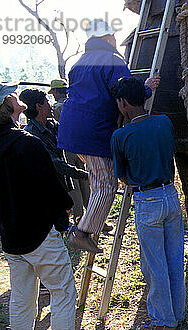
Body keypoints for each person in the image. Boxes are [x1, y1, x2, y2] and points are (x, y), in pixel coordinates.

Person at [0, 76, 100, 330]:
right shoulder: (26, 144)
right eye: (10, 95)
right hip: (40, 235)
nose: (14, 96)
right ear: (6, 106)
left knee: (21, 301)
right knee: (62, 294)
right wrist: (63, 215)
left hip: (12, 238)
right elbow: (52, 189)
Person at [58, 19, 160, 253]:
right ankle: (82, 232)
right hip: (92, 132)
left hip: (73, 131)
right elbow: (124, 92)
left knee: (97, 178)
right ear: (107, 38)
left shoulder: (78, 62)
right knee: (106, 185)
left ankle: (96, 218)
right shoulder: (113, 60)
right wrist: (147, 88)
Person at [110, 77, 185, 330]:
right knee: (174, 258)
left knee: (154, 264)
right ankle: (177, 312)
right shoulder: (164, 122)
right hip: (171, 196)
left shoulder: (120, 136)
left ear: (122, 103)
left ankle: (163, 320)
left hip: (147, 200)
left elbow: (122, 176)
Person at [20, 89, 89, 194]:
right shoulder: (32, 134)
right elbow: (55, 163)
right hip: (47, 189)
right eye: (47, 102)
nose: (50, 105)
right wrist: (84, 175)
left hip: (60, 185)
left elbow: (70, 136)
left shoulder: (52, 126)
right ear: (39, 106)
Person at [48, 80, 93, 226]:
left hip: (67, 148)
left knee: (73, 183)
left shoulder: (58, 107)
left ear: (56, 91)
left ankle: (79, 218)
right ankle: (91, 214)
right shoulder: (76, 103)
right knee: (85, 180)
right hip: (81, 146)